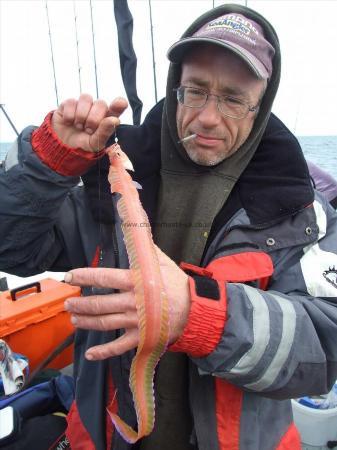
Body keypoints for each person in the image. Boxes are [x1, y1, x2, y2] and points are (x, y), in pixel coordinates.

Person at [1, 4, 337, 450]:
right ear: (175, 87)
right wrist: (49, 167)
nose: (208, 117)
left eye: (234, 98)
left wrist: (203, 316)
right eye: (195, 91)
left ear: (261, 106)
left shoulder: (299, 211)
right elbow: (14, 249)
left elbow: (324, 349)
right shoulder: (108, 184)